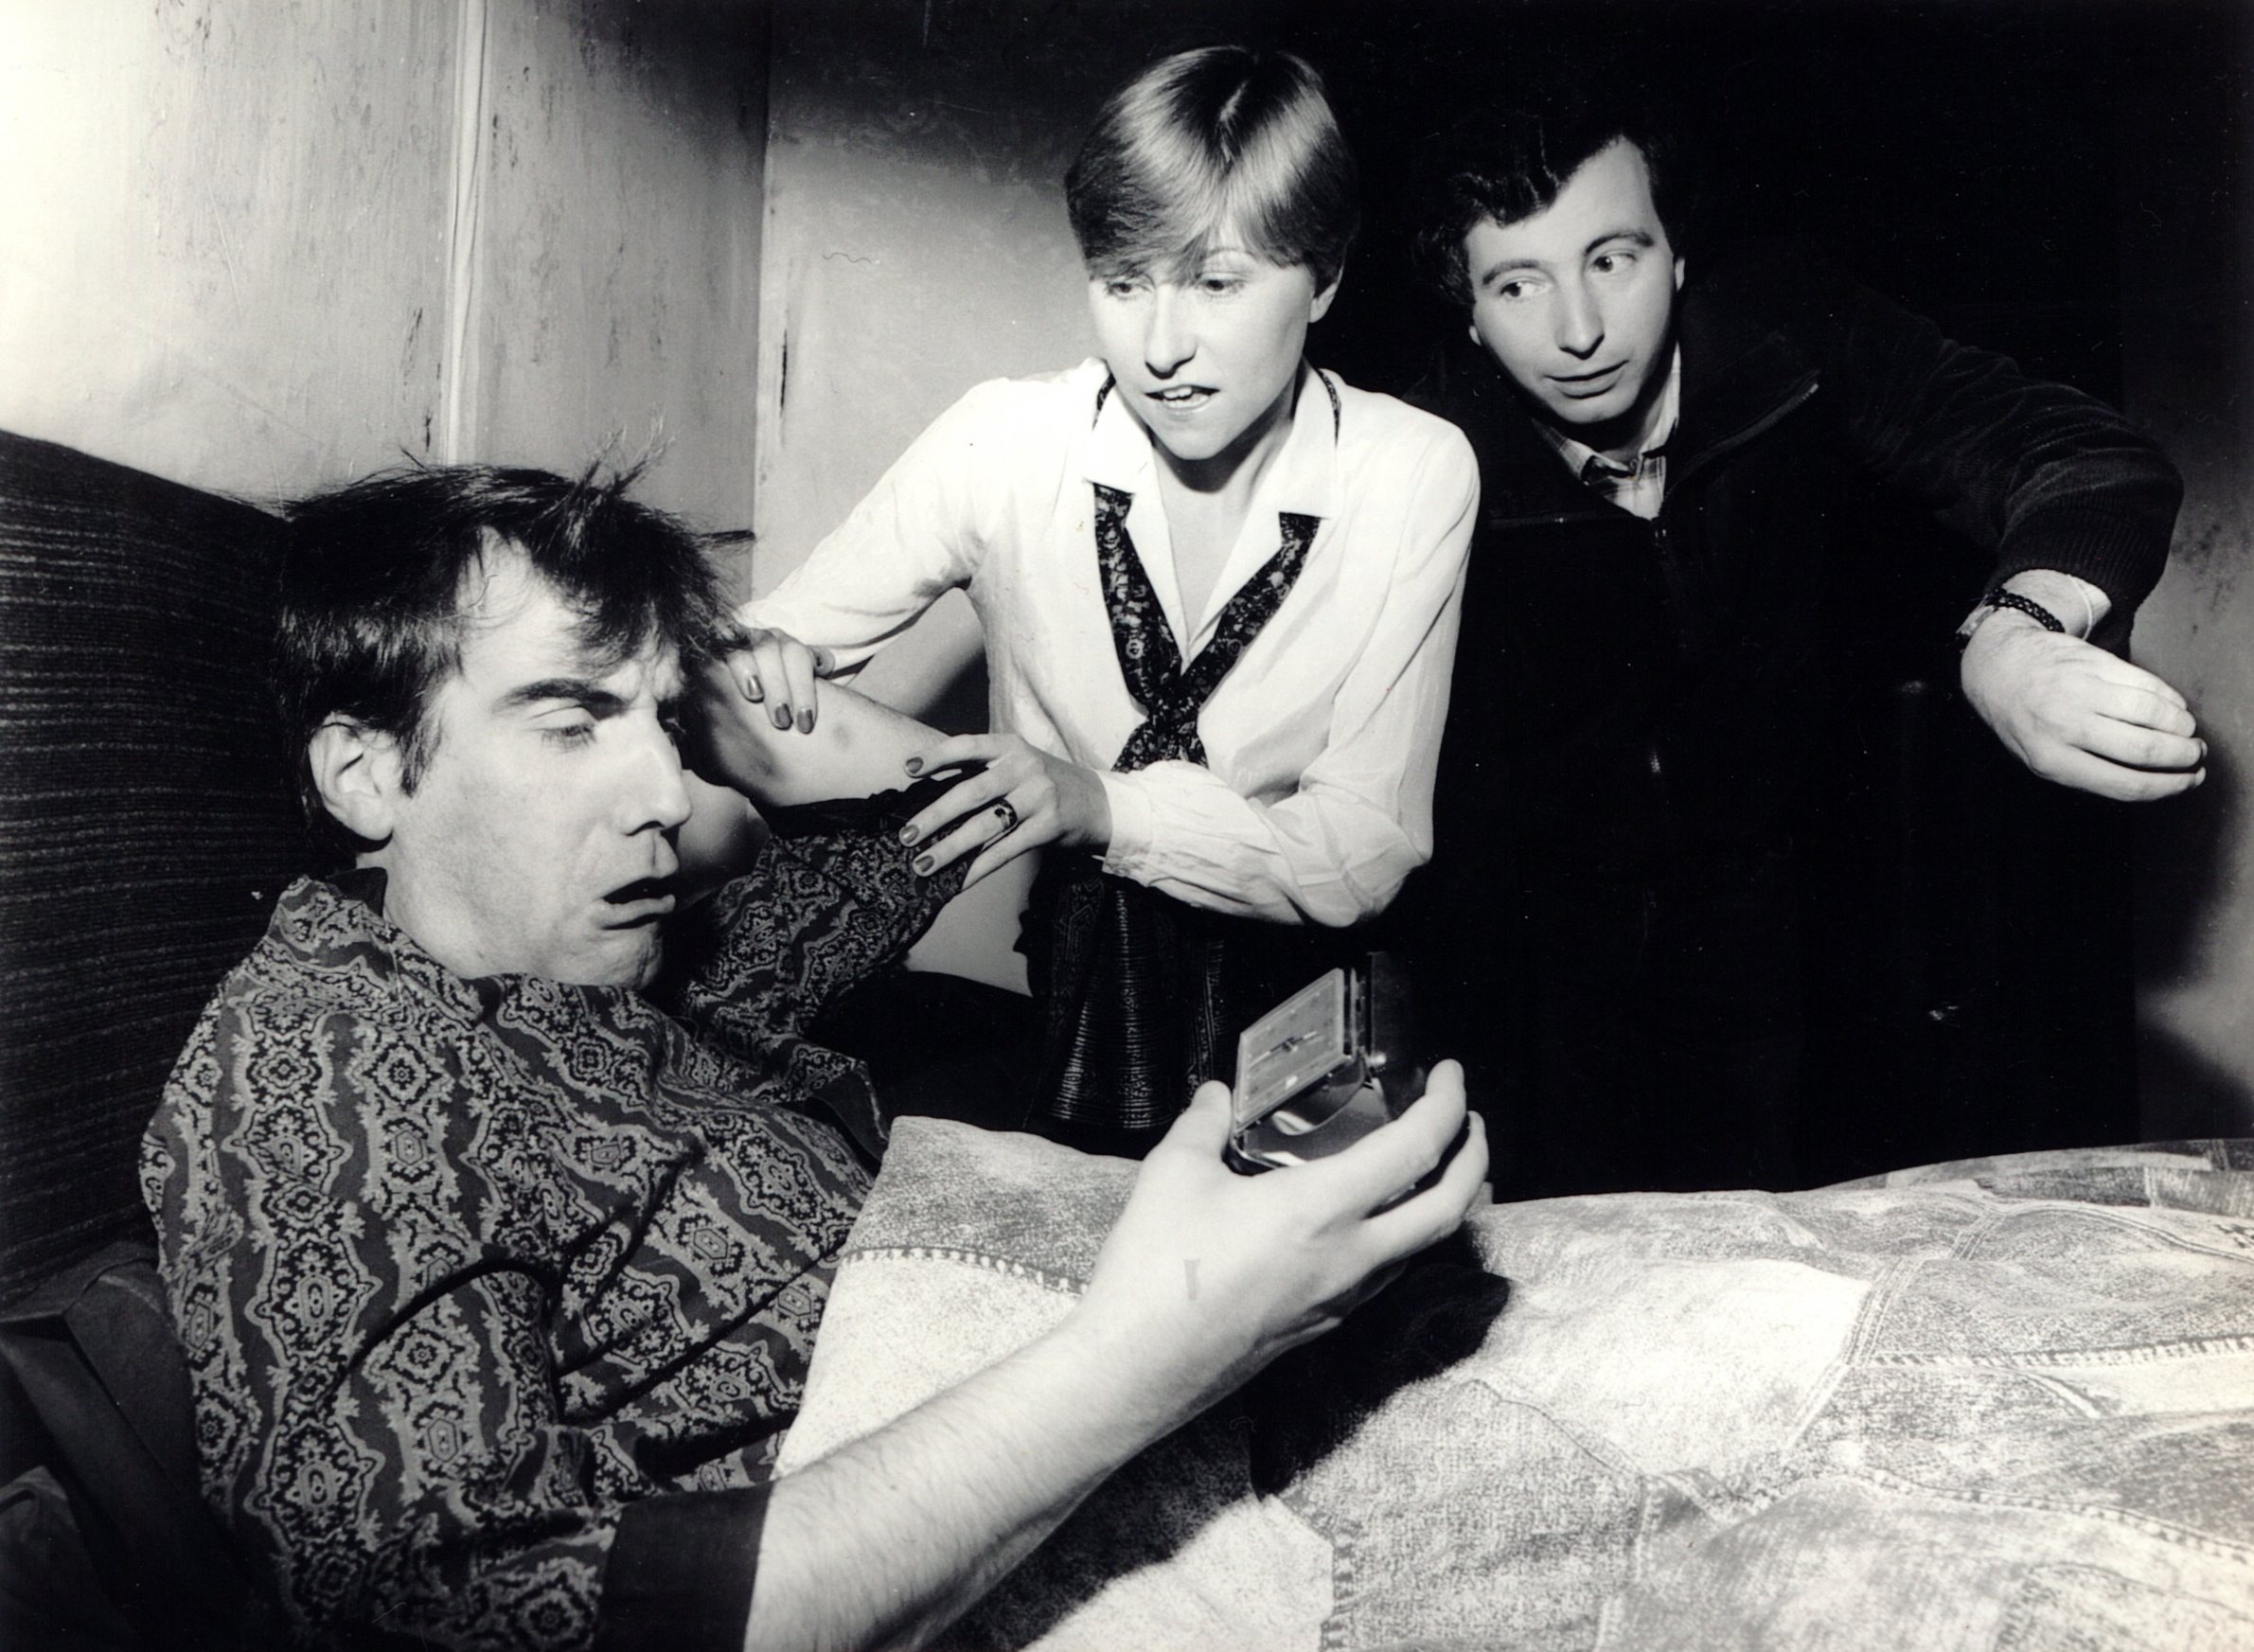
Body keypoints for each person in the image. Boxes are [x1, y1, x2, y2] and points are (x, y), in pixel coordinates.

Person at [140, 460, 1486, 1651]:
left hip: (1205, 1424)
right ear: (368, 774)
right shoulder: (323, 1061)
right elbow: (441, 1604)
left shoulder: (614, 964)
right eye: (569, 723)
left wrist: (798, 733)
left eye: (659, 724)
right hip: (1153, 1469)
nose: (665, 795)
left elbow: (908, 841)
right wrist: (1158, 1347)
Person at [1399, 92, 2198, 1197]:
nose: (1577, 330)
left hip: (1804, 951)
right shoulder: (1412, 454)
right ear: (1469, 315)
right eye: (1516, 284)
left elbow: (2081, 454)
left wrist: (2013, 636)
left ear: (1677, 254)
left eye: (1612, 258)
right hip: (1536, 993)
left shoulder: (1791, 334)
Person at [734, 45, 1480, 1153]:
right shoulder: (1008, 439)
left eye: (1217, 283)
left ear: (1323, 278)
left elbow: (1360, 849)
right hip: (1069, 1008)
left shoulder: (1411, 470)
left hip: (1306, 1029)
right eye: (1124, 282)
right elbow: (765, 643)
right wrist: (761, 661)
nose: (1161, 348)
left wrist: (1103, 806)